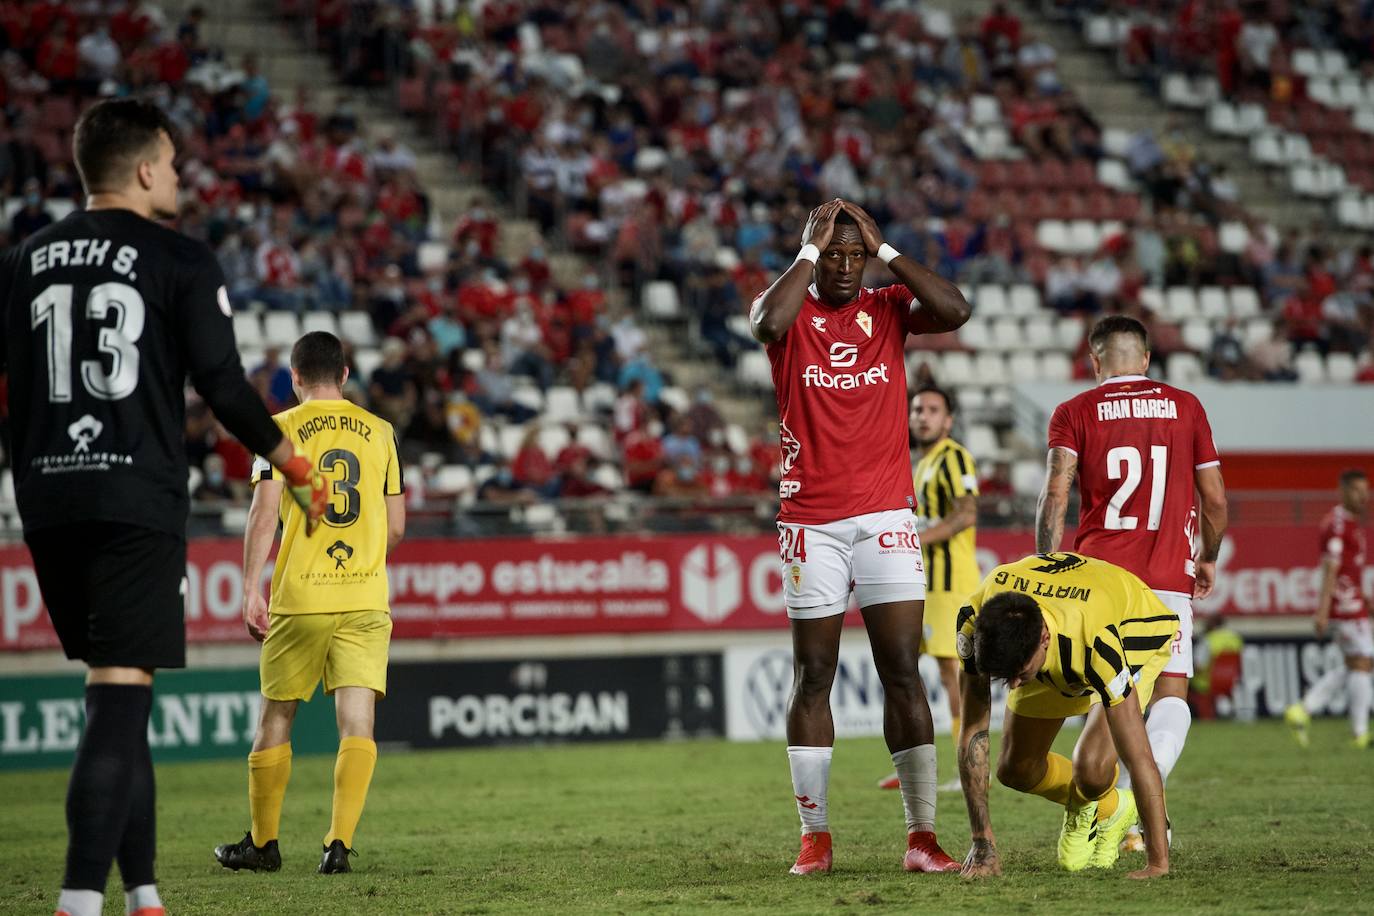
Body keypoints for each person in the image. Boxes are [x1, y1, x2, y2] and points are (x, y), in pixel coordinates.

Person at [0, 98, 326, 916]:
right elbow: (222, 387)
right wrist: (291, 462)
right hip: (132, 495)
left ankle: (144, 891)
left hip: (45, 496)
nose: (179, 177)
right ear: (146, 169)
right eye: (174, 164)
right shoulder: (178, 259)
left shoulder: (23, 261)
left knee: (121, 692)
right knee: (118, 699)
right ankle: (78, 903)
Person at [750, 198, 971, 875]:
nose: (847, 267)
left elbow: (957, 310)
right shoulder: (792, 310)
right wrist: (808, 252)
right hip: (811, 520)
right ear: (814, 252)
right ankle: (813, 834)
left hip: (885, 519)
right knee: (812, 675)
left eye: (856, 254)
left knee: (902, 672)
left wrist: (889, 250)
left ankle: (921, 836)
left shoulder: (889, 307)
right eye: (835, 254)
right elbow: (767, 322)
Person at [215, 331, 406, 875]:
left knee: (277, 714)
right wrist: (363, 556)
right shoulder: (382, 432)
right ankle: (339, 843)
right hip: (366, 594)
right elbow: (396, 527)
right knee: (357, 719)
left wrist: (252, 587)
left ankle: (264, 844)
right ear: (346, 375)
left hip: (301, 594)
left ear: (295, 378)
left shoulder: (278, 429)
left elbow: (263, 513)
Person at [1036, 315, 1227, 854]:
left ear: (1095, 361)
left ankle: (1107, 804)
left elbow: (1055, 494)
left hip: (1098, 586)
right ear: (1145, 359)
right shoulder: (1185, 406)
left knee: (1106, 696)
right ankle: (1142, 815)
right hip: (1167, 579)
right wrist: (1207, 556)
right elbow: (1213, 498)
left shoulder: (1074, 411)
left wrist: (1046, 570)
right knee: (1170, 697)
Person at [955, 553, 1175, 880]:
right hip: (1059, 642)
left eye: (1018, 673)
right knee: (1015, 770)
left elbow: (1139, 756)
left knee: (1092, 772)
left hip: (1132, 633)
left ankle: (1092, 798)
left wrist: (1157, 864)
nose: (1012, 685)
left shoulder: (1098, 646)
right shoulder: (974, 621)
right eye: (1003, 676)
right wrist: (981, 842)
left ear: (1043, 639)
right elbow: (973, 729)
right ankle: (1113, 809)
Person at [879, 384, 980, 793]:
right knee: (902, 671)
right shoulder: (919, 463)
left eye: (933, 409)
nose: (922, 416)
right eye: (918, 409)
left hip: (950, 585)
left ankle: (966, 769)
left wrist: (918, 539)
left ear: (948, 419)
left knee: (951, 674)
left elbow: (967, 513)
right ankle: (911, 768)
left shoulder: (954, 457)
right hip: (920, 582)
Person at [1285, 469, 1373, 749]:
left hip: (1353, 602)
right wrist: (1322, 610)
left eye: (1365, 490)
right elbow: (1331, 568)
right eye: (1357, 490)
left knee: (1356, 664)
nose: (1363, 496)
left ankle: (1303, 709)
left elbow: (1349, 568)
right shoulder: (1336, 524)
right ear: (1343, 490)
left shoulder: (1351, 523)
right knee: (1363, 661)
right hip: (1344, 607)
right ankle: (1359, 733)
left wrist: (1365, 596)